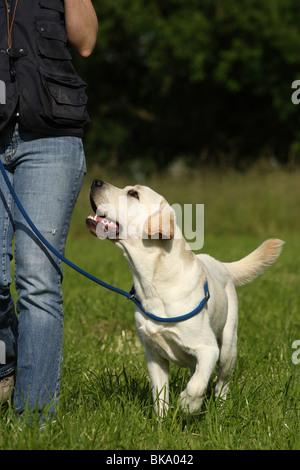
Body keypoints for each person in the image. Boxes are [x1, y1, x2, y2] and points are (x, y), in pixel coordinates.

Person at [0, 0, 98, 421]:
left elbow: (86, 41)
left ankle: (34, 421)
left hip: (50, 140)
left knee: (37, 279)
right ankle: (9, 367)